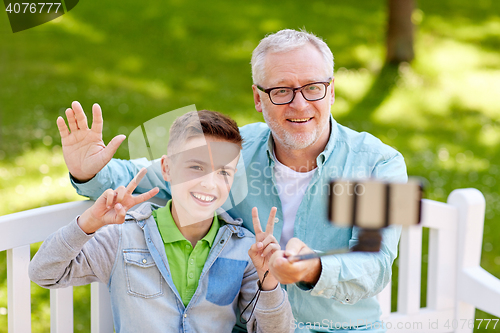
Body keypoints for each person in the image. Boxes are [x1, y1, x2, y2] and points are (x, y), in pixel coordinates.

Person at [60, 29, 407, 332]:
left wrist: (311, 268)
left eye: (313, 88)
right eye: (282, 90)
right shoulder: (234, 151)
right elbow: (140, 177)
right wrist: (88, 170)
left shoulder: (379, 164)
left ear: (331, 91)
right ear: (258, 98)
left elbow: (374, 265)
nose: (300, 104)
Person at [29, 110, 294, 333]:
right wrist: (87, 223)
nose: (209, 183)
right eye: (196, 167)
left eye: (223, 172)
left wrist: (268, 280)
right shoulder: (123, 236)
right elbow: (44, 273)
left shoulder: (244, 249)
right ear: (166, 168)